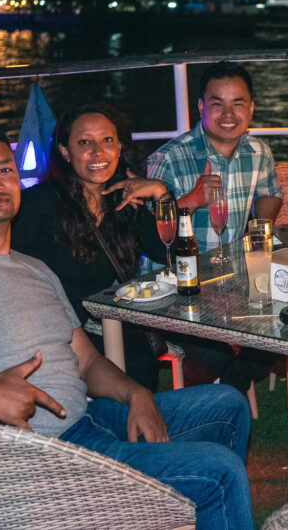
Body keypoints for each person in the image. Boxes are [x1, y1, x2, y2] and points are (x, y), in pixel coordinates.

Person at [0, 121, 254, 530]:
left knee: (227, 405)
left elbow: (85, 361)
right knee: (218, 472)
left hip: (88, 420)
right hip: (45, 456)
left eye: (4, 170)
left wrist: (136, 393)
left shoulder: (34, 269)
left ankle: (170, 514)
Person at [12, 102, 174, 390]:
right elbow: (5, 270)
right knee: (134, 365)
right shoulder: (39, 204)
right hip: (53, 330)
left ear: (119, 147)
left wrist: (161, 195)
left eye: (107, 140)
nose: (98, 153)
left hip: (102, 323)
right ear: (65, 151)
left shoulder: (124, 201)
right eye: (85, 142)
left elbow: (171, 252)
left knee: (140, 361)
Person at [147, 62, 281, 392]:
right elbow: (152, 233)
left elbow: (270, 195)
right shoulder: (169, 158)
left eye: (238, 103)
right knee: (211, 352)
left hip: (231, 277)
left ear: (251, 107)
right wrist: (192, 199)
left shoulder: (259, 152)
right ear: (201, 106)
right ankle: (214, 389)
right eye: (217, 103)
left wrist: (259, 228)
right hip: (179, 285)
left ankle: (227, 386)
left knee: (286, 325)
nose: (228, 113)